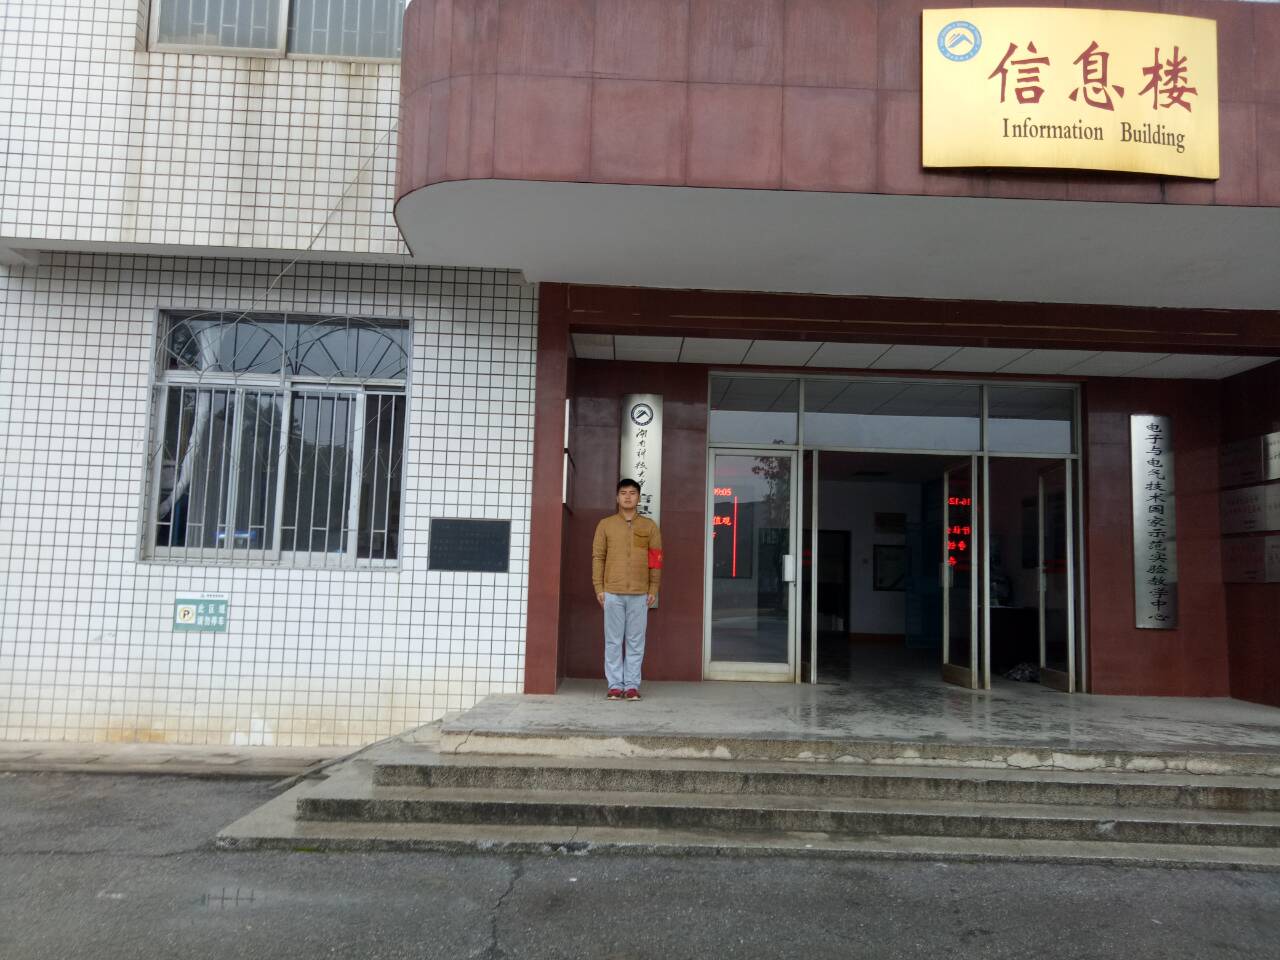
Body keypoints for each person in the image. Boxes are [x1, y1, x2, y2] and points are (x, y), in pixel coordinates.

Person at [592, 478, 662, 701]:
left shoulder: (649, 526)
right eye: (623, 493)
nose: (628, 497)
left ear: (639, 497)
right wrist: (599, 587)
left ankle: (631, 686)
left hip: (640, 594)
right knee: (613, 641)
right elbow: (598, 557)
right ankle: (615, 685)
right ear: (617, 497)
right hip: (612, 592)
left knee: (635, 642)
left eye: (632, 493)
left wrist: (653, 587)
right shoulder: (605, 525)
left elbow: (655, 559)